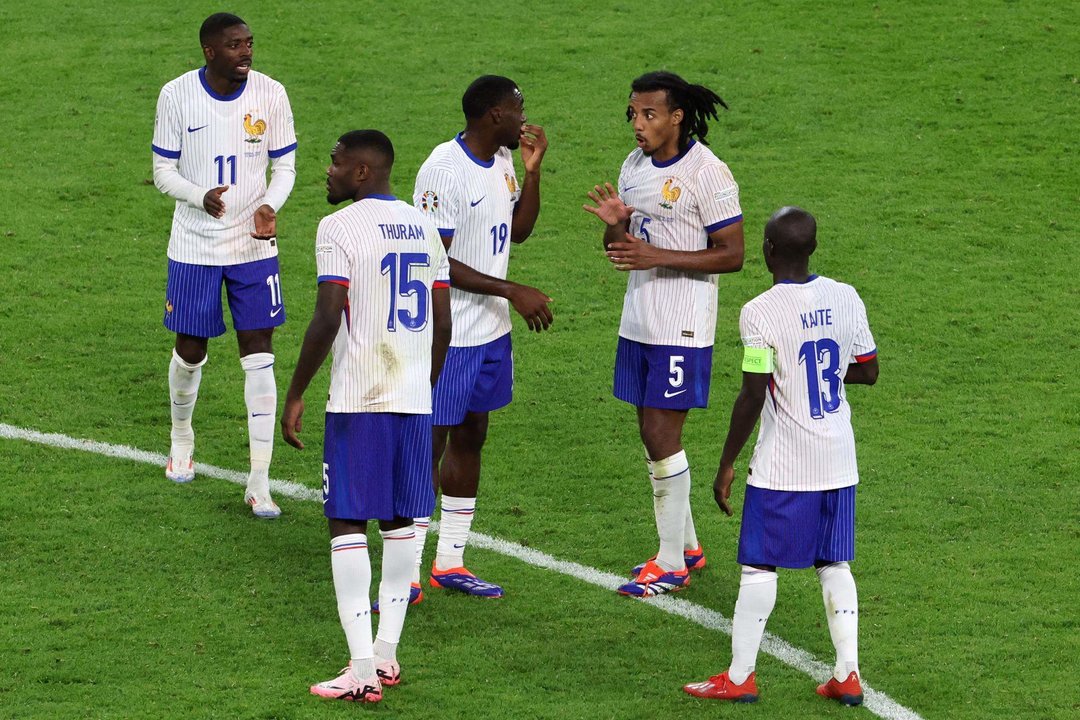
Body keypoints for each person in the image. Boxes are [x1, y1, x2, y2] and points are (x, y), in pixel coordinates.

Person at [280, 130, 451, 703]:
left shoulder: (338, 227)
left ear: (360, 172)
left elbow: (329, 313)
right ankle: (387, 655)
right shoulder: (424, 225)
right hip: (412, 398)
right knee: (403, 524)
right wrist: (424, 382)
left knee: (347, 523)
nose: (325, 172)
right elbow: (443, 318)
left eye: (333, 163)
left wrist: (298, 389)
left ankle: (361, 669)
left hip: (359, 399)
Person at [683, 207, 879, 704]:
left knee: (759, 567)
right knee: (834, 563)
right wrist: (829, 379)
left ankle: (740, 677)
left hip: (785, 464)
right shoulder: (846, 297)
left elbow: (752, 392)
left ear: (769, 250)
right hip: (839, 457)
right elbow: (869, 370)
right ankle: (848, 675)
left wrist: (727, 462)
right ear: (812, 248)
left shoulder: (760, 311)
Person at [583, 70, 743, 597]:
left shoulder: (708, 173)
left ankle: (670, 564)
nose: (638, 123)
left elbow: (733, 254)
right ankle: (689, 547)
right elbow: (620, 250)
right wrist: (615, 225)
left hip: (683, 323)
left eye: (649, 114)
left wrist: (655, 254)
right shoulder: (633, 166)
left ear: (676, 117)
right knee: (650, 436)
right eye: (633, 113)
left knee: (661, 435)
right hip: (640, 320)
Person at [405, 75, 552, 601]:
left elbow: (519, 231)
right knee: (430, 444)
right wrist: (511, 288)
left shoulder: (505, 160)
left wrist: (533, 175)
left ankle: (450, 561)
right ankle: (407, 570)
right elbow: (432, 260)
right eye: (518, 109)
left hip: (490, 332)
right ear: (493, 115)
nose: (525, 117)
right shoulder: (443, 170)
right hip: (448, 334)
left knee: (471, 437)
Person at [152, 12, 297, 518]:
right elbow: (162, 171)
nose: (246, 52)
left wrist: (268, 206)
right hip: (194, 244)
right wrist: (199, 196)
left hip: (254, 245)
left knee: (259, 352)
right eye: (235, 45)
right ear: (210, 51)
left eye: (250, 43)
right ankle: (181, 440)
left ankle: (259, 481)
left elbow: (286, 166)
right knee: (191, 348)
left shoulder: (271, 94)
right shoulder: (176, 95)